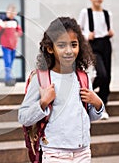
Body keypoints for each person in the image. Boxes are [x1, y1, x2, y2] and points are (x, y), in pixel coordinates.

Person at [18, 17, 104, 162]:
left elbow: (90, 116)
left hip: (82, 151)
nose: (69, 51)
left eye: (74, 44)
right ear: (50, 48)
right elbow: (23, 117)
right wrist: (43, 103)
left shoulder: (82, 78)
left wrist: (97, 103)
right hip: (54, 152)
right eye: (62, 45)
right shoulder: (41, 79)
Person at [78, 0, 115, 120]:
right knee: (102, 74)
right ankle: (89, 85)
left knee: (108, 76)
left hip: (106, 44)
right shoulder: (85, 12)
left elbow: (108, 29)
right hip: (93, 45)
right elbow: (78, 30)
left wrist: (111, 32)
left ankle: (103, 105)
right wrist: (87, 35)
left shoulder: (107, 14)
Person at [0, 4, 23, 86]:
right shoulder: (2, 20)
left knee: (11, 63)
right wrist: (2, 25)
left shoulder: (15, 22)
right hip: (5, 45)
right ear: (7, 12)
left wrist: (18, 33)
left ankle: (9, 78)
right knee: (8, 62)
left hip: (13, 45)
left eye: (14, 12)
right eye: (10, 12)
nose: (12, 14)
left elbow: (20, 31)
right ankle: (8, 79)